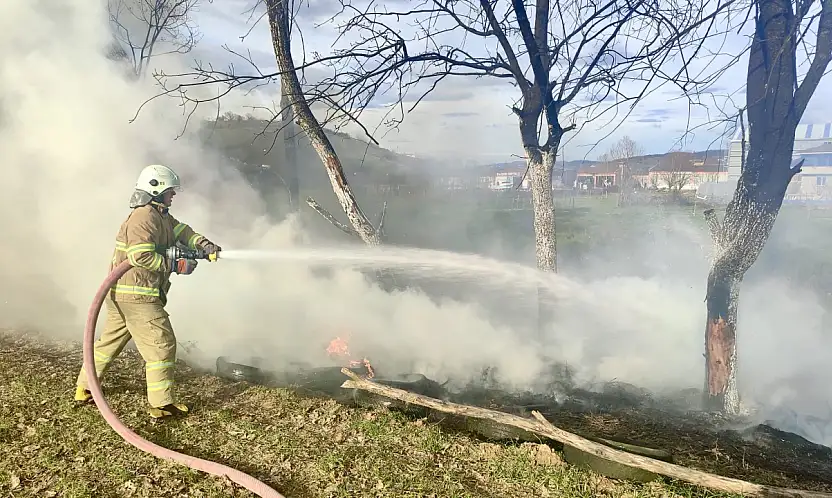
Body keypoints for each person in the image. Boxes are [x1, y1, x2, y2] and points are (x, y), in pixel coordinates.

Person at [74, 164, 222, 419]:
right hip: (138, 296)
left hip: (125, 294)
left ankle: (84, 388)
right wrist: (176, 265)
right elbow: (140, 256)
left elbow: (182, 232)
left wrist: (203, 244)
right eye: (170, 191)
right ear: (156, 189)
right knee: (162, 346)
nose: (173, 195)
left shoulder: (160, 215)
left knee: (108, 345)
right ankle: (161, 403)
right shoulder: (144, 217)